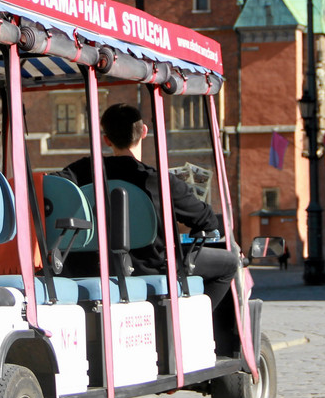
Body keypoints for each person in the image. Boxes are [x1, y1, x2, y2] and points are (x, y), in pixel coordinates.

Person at [57, 104, 239, 309]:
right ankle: (196, 324)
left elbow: (52, 187)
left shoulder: (83, 170)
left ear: (106, 139)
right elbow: (206, 220)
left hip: (91, 266)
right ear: (144, 132)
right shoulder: (159, 180)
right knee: (230, 263)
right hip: (151, 268)